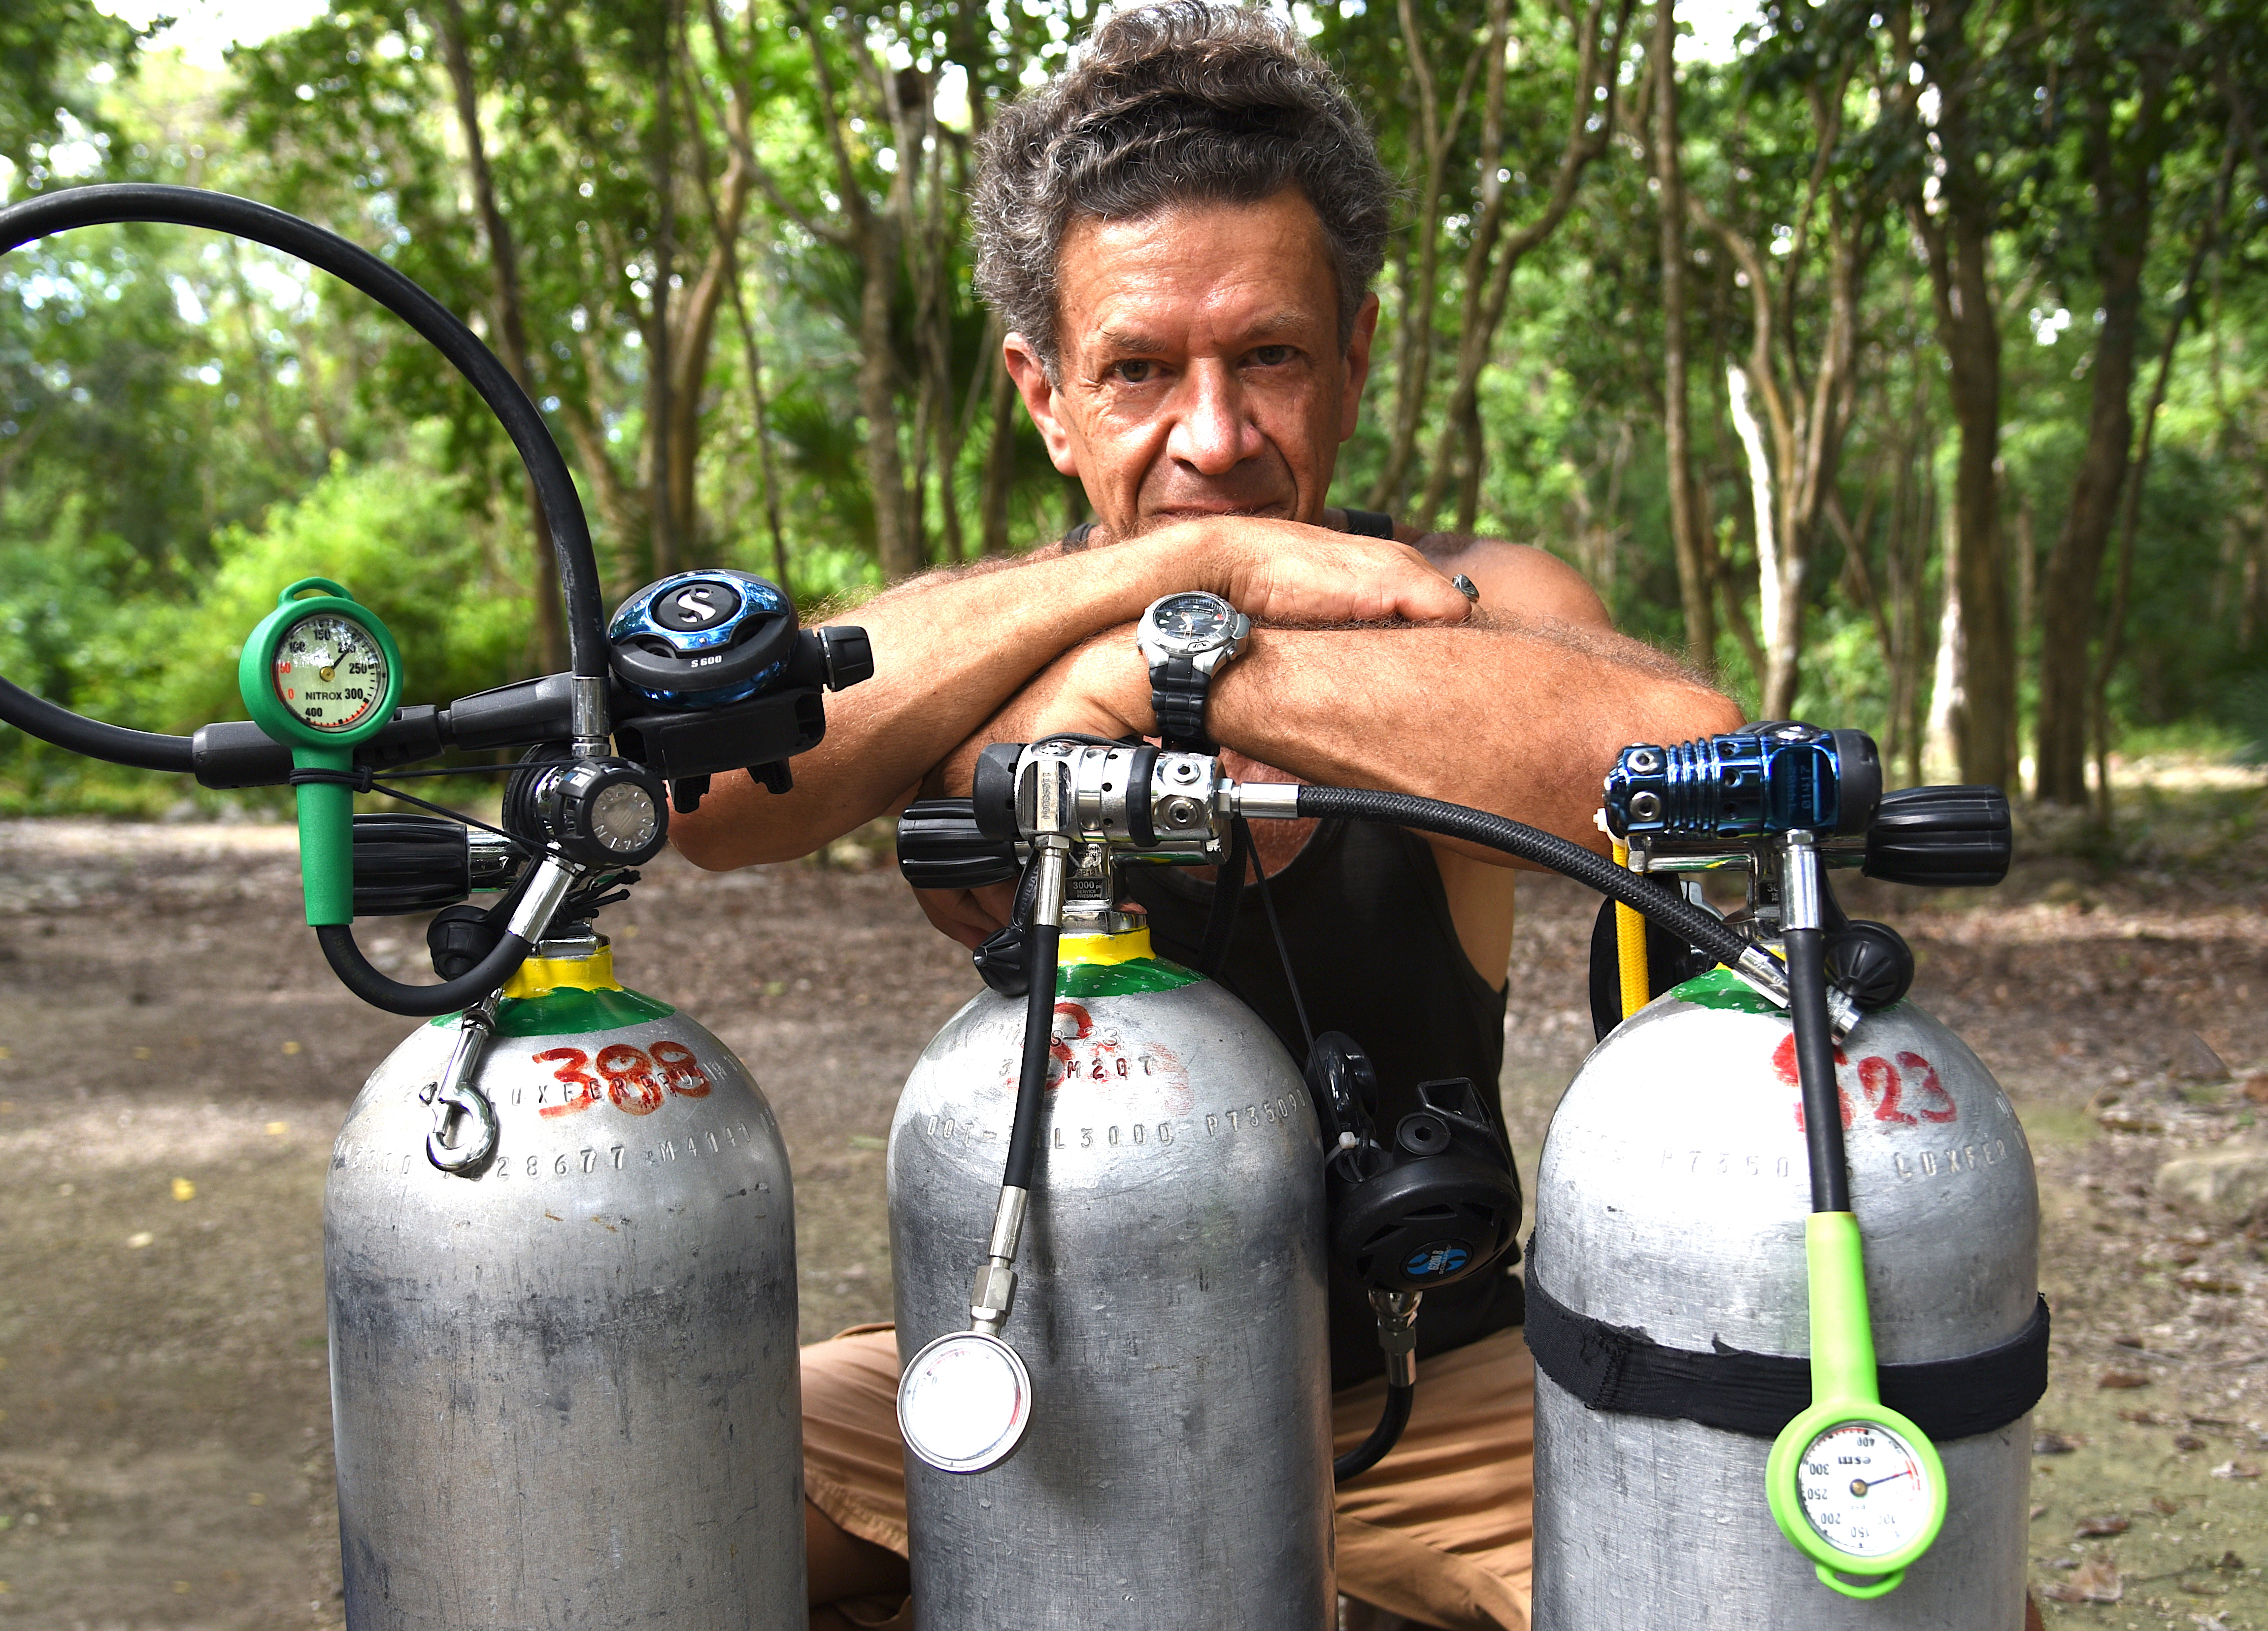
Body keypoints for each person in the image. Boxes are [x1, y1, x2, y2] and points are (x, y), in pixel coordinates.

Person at [672, 6, 1742, 1627]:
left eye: (1271, 356)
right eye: (1139, 372)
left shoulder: (1465, 599)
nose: (1215, 437)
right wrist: (1199, 571)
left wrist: (1169, 674)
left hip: (1434, 1391)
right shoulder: (989, 626)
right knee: (633, 1494)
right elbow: (708, 800)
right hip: (1058, 1382)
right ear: (1044, 394)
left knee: (1853, 1575)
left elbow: (1675, 752)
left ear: (1357, 357)